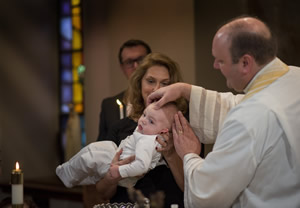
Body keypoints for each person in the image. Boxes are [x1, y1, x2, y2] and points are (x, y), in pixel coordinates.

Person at [147, 16, 300, 207]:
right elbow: (243, 103)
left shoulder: (249, 116)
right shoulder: (293, 77)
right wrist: (185, 90)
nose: (215, 66)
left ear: (245, 63)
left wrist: (189, 155)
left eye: (220, 61)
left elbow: (207, 195)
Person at [95, 52, 187, 208]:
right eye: (150, 81)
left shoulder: (183, 127)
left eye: (165, 84)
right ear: (140, 84)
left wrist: (170, 154)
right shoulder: (119, 128)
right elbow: (102, 192)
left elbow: (194, 188)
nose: (157, 89)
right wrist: (114, 174)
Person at [56, 102, 179, 189]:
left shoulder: (146, 141)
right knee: (94, 151)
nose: (143, 120)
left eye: (151, 121)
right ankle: (73, 175)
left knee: (91, 156)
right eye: (144, 114)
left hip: (122, 168)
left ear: (163, 131)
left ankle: (67, 176)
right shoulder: (148, 132)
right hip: (117, 155)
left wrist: (119, 171)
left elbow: (142, 166)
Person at [97, 39, 152, 141]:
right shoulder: (108, 106)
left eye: (141, 60)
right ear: (122, 68)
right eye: (129, 62)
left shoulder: (164, 100)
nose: (136, 66)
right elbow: (101, 147)